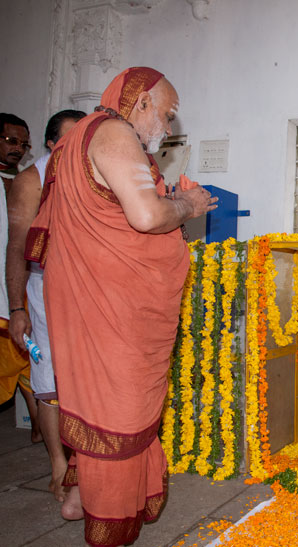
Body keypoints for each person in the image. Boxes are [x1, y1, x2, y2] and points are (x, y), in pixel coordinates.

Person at [25, 67, 217, 547]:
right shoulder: (114, 132)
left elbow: (114, 215)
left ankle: (77, 497)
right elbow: (146, 216)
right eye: (167, 115)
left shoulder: (79, 139)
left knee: (99, 403)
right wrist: (188, 204)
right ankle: (109, 525)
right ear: (142, 102)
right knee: (120, 413)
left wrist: (171, 200)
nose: (167, 129)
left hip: (94, 301)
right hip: (112, 310)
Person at [6, 109, 86, 502]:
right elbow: (17, 248)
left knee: (87, 376)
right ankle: (57, 464)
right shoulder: (31, 180)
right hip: (44, 288)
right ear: (51, 144)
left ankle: (87, 459)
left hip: (91, 289)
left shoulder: (97, 173)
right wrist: (17, 308)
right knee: (48, 377)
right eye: (67, 141)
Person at [0, 112, 40, 442]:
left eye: (24, 144)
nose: (18, 149)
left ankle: (38, 424)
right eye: (11, 141)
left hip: (19, 283)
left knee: (27, 353)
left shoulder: (26, 181)